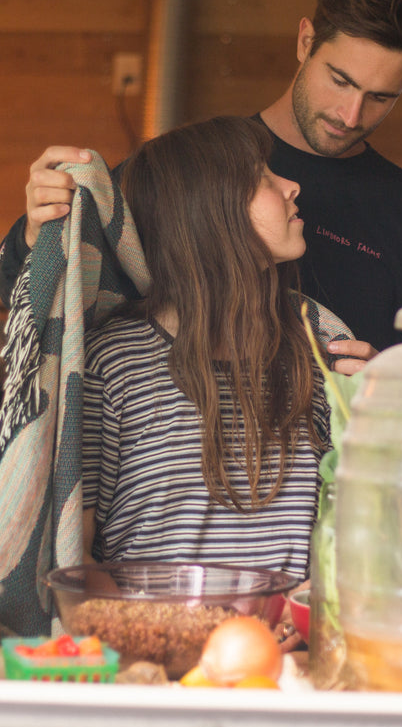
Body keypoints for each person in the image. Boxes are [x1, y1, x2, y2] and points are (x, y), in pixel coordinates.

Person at [0, 0, 402, 354]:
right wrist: (38, 231)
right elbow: (39, 298)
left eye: (381, 97)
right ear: (305, 41)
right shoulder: (201, 164)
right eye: (340, 80)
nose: (352, 114)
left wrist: (387, 384)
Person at [81, 116, 349, 576]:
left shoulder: (320, 345)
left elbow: (352, 538)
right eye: (262, 179)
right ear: (208, 213)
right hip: (147, 645)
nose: (292, 186)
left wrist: (385, 416)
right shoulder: (112, 363)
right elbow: (73, 560)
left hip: (285, 646)